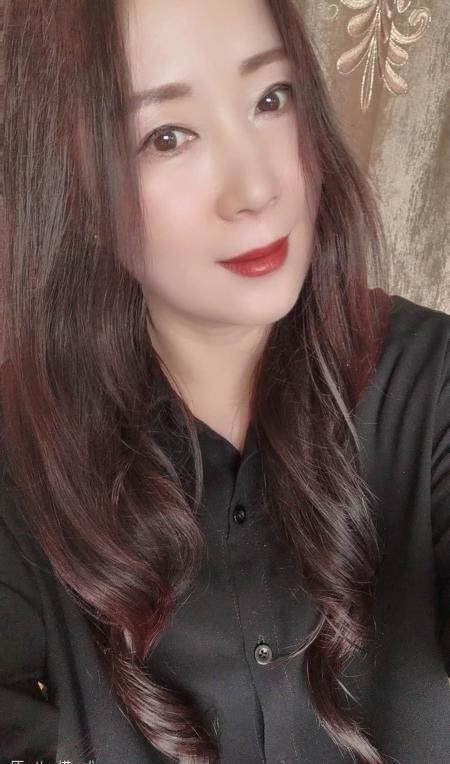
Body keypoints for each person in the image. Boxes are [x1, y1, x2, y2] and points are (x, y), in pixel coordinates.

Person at [0, 0, 448, 763]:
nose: (255, 188)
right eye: (167, 137)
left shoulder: (429, 384)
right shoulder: (20, 459)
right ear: (73, 183)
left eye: (270, 98)